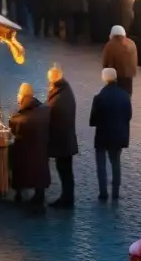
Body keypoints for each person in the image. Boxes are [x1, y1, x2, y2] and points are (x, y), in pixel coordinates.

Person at [89, 68, 132, 201]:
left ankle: (103, 193)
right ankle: (115, 193)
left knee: (101, 165)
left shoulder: (99, 97)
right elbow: (129, 116)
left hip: (102, 135)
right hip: (119, 135)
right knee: (116, 163)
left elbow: (92, 121)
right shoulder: (125, 95)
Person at [8, 82, 51, 208]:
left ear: (22, 96)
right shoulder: (43, 109)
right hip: (42, 150)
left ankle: (18, 191)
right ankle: (39, 193)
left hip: (26, 150)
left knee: (15, 157)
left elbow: (17, 125)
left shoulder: (22, 116)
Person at [46, 65, 77, 208]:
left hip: (62, 140)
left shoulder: (58, 97)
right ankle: (67, 197)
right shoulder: (66, 91)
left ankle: (66, 199)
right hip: (68, 138)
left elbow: (50, 113)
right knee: (66, 170)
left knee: (63, 169)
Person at [102, 24, 138, 95]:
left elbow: (105, 62)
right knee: (127, 94)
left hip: (116, 75)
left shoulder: (110, 45)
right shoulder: (132, 43)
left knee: (115, 95)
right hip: (129, 75)